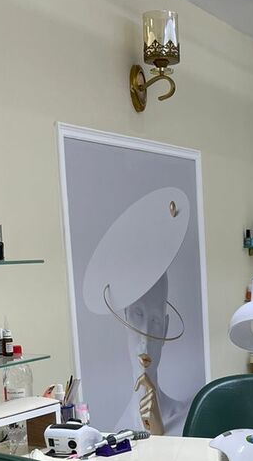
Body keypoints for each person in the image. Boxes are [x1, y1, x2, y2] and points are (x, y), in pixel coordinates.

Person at [82, 186, 192, 435]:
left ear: (165, 329)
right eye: (138, 316)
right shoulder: (117, 430)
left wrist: (158, 429)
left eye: (155, 322)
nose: (145, 337)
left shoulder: (189, 416)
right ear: (124, 319)